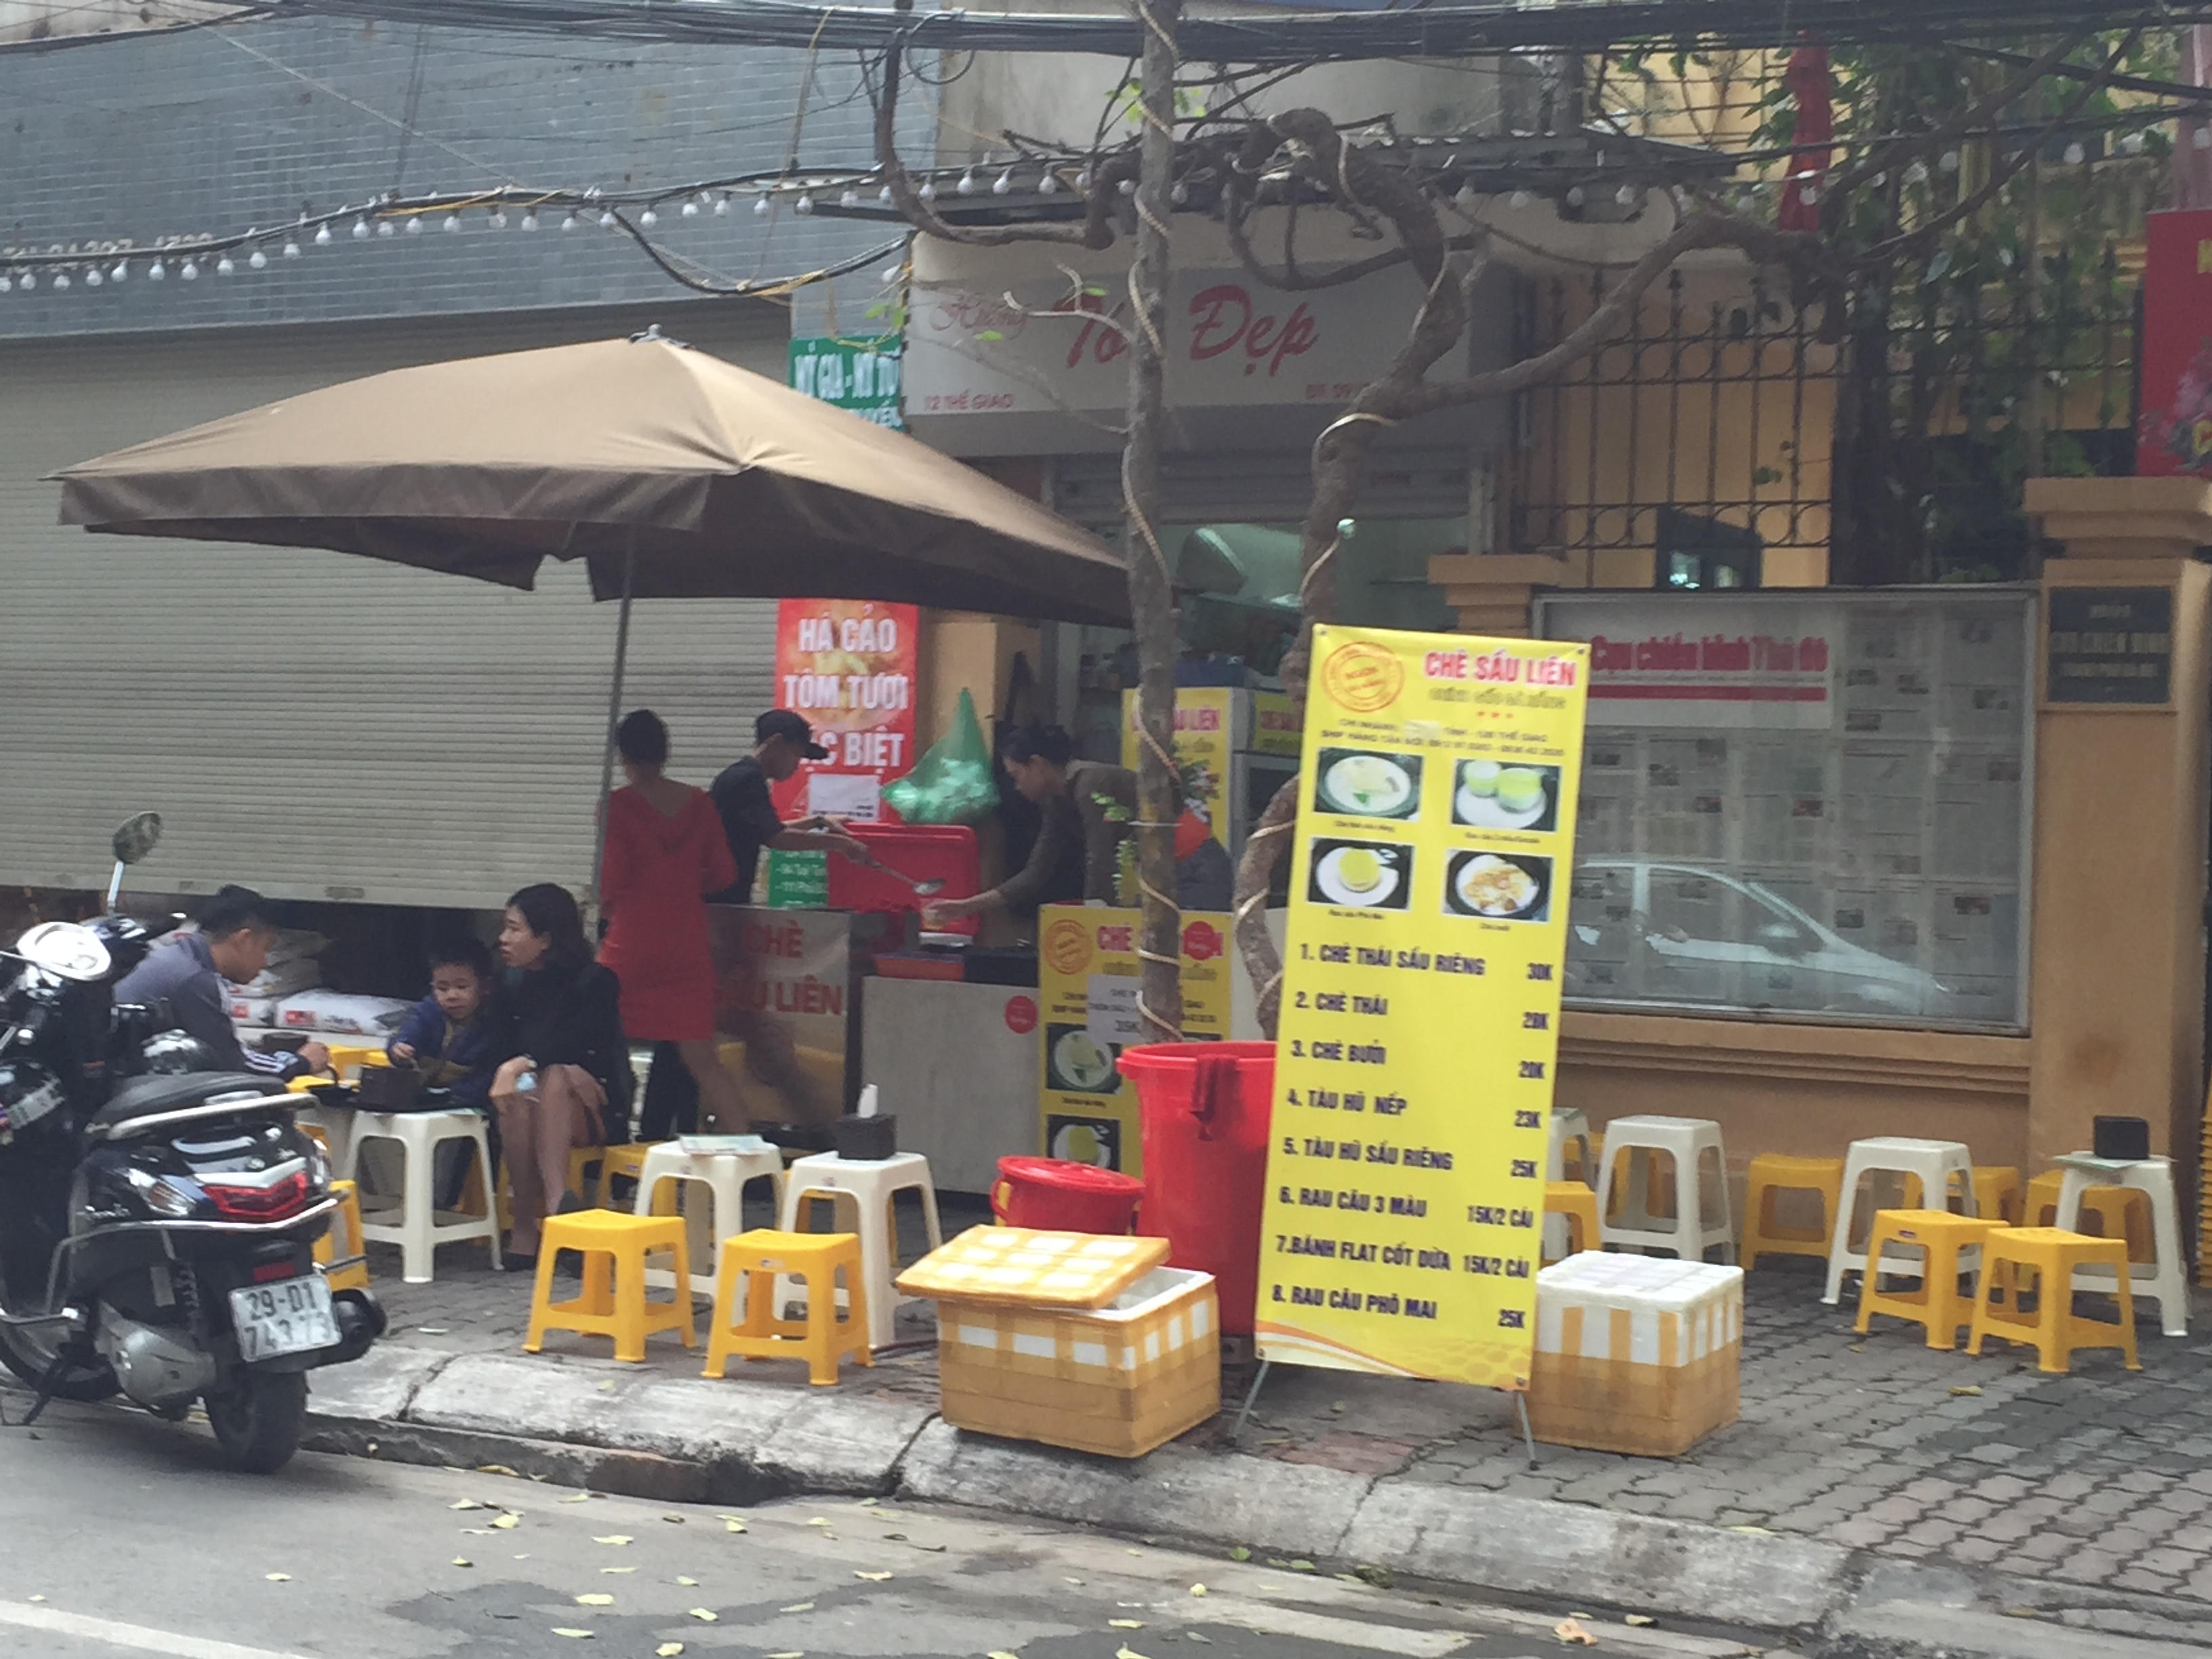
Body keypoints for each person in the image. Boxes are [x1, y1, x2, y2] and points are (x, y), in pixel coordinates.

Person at [596, 709, 750, 1131]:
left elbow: (610, 879)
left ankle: (606, 1142)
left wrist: (605, 904)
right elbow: (724, 874)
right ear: (666, 753)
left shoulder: (616, 807)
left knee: (599, 1040)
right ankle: (749, 1154)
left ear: (623, 756)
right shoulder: (699, 803)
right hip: (687, 941)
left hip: (630, 942)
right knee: (702, 1060)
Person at [488, 884, 631, 1267]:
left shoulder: (596, 981)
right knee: (527, 1091)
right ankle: (529, 1223)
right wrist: (532, 1068)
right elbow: (496, 1047)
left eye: (514, 929)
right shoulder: (508, 983)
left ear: (546, 939)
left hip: (593, 1108)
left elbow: (582, 1042)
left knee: (554, 1078)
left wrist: (531, 1064)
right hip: (529, 1101)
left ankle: (555, 1212)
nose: (503, 939)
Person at [114, 885, 331, 1082]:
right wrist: (299, 1063)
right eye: (265, 948)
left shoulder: (179, 958)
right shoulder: (195, 979)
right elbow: (233, 1066)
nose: (265, 962)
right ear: (244, 939)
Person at [925, 724, 1136, 924]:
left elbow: (1100, 857)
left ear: (1036, 764)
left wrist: (1093, 918)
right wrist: (966, 907)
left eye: (1016, 776)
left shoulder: (1090, 782)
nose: (1017, 787)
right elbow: (1035, 873)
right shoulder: (1055, 802)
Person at [705, 708, 872, 905]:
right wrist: (842, 844)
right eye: (796, 755)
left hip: (721, 895)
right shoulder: (748, 780)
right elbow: (777, 838)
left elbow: (766, 830)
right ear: (776, 743)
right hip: (720, 897)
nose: (796, 766)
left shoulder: (740, 775)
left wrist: (818, 821)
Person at [387, 936, 503, 1111]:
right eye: (442, 988)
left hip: (464, 1104)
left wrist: (452, 1096)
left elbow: (489, 1075)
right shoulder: (427, 1012)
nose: (451, 996)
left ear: (485, 987)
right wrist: (399, 1049)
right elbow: (407, 1034)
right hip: (420, 1096)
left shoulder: (494, 1026)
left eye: (462, 987)